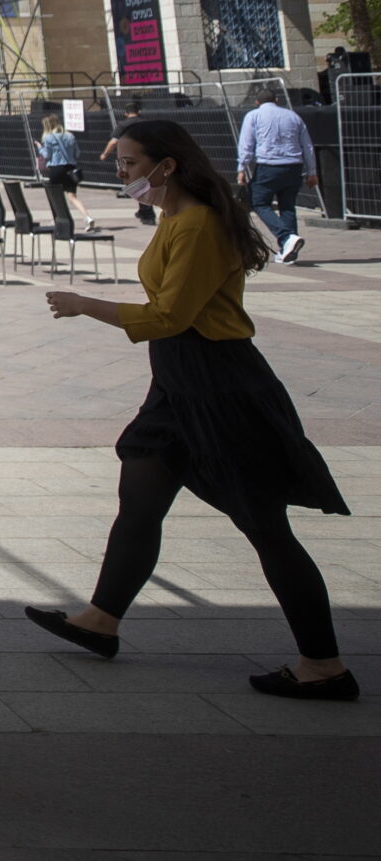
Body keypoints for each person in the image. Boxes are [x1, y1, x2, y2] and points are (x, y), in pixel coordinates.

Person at [28, 120, 355, 701]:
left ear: (167, 164)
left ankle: (324, 667)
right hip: (178, 385)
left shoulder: (200, 225)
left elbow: (171, 316)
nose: (122, 173)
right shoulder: (176, 217)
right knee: (140, 500)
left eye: (131, 163)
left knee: (265, 528)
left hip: (219, 387)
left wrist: (84, 304)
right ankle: (101, 620)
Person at [236, 86, 318, 264]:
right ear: (277, 100)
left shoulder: (253, 116)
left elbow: (246, 144)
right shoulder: (293, 116)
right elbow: (307, 146)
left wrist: (241, 167)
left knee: (258, 202)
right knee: (287, 206)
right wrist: (312, 172)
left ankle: (287, 237)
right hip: (294, 166)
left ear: (257, 102)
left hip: (269, 166)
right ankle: (287, 250)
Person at [36, 113, 96, 233]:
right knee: (72, 197)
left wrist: (39, 147)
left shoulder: (48, 138)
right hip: (70, 169)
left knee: (54, 196)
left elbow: (47, 155)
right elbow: (77, 153)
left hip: (56, 169)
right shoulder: (70, 136)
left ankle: (59, 218)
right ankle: (87, 217)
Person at [99, 98, 156, 226]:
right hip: (145, 156)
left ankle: (147, 214)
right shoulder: (146, 124)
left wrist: (105, 154)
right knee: (142, 183)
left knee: (138, 185)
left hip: (129, 159)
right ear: (139, 111)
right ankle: (144, 211)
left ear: (126, 113)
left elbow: (113, 142)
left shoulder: (123, 125)